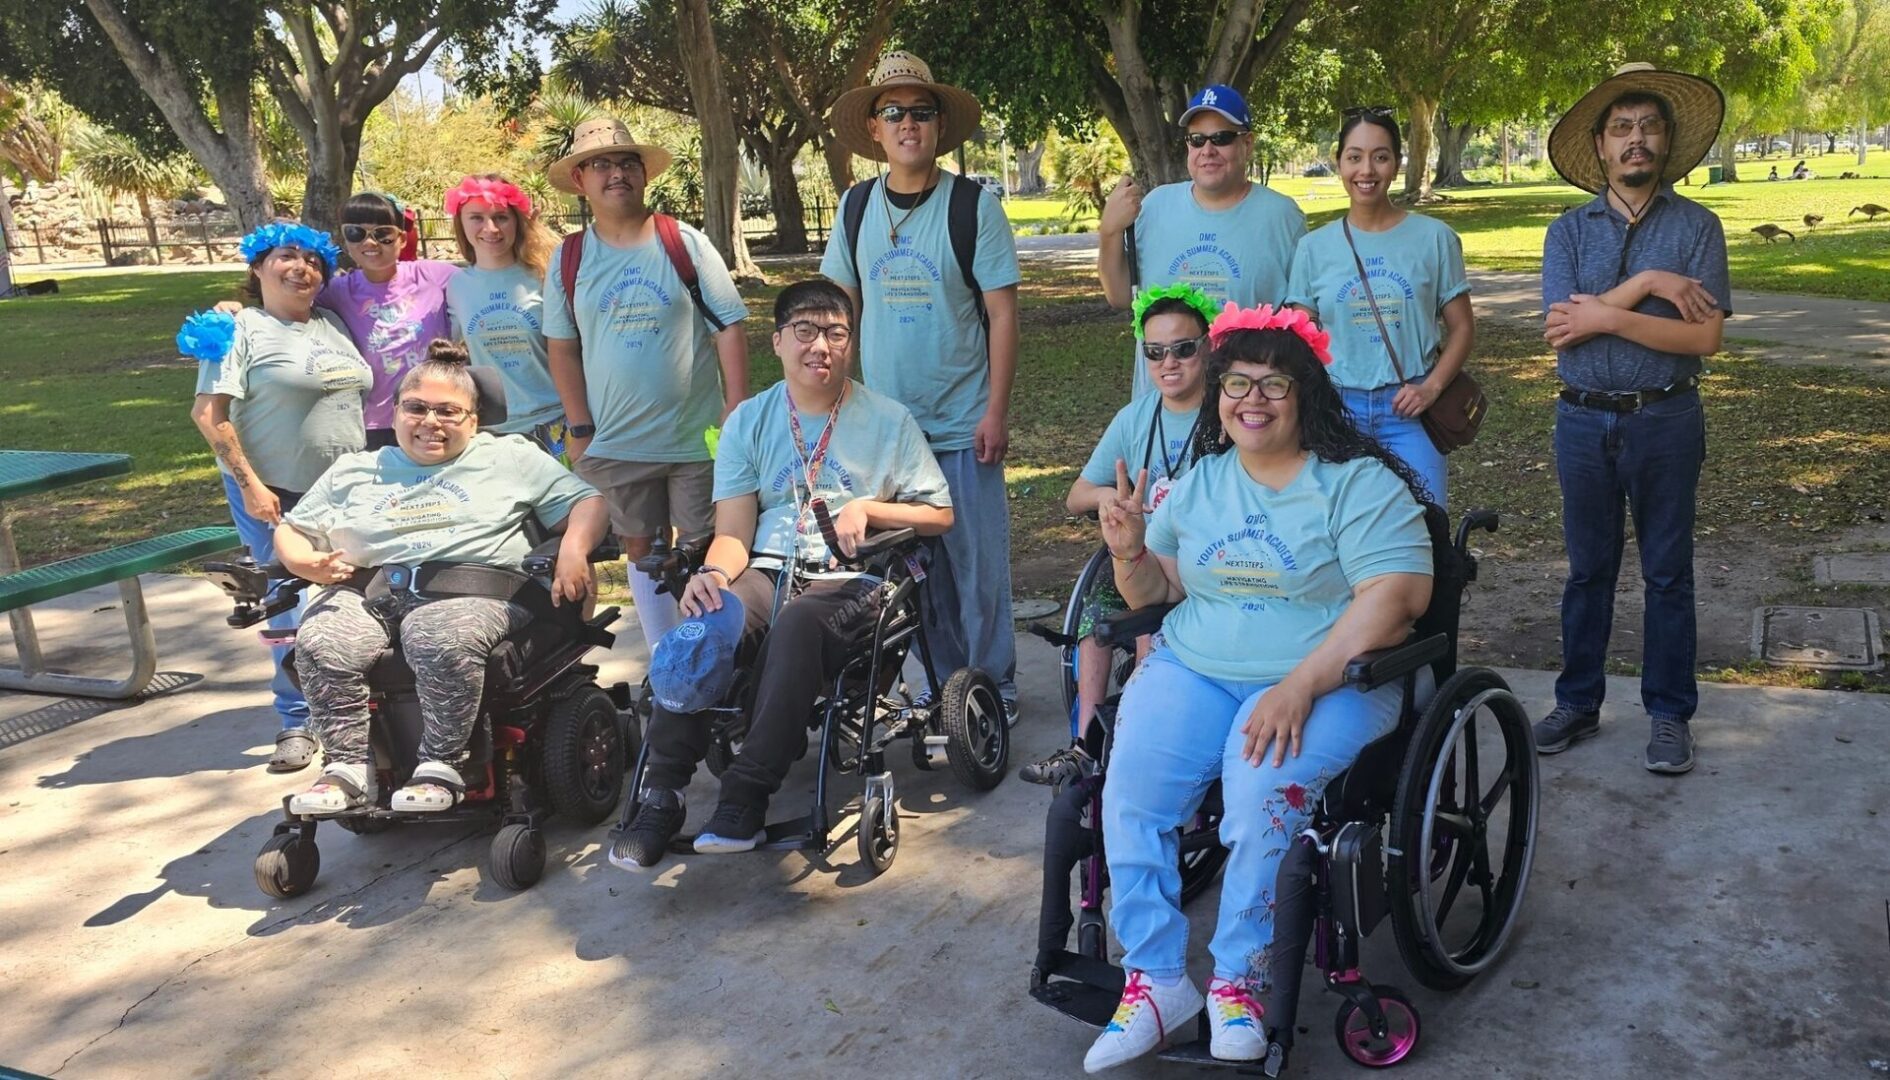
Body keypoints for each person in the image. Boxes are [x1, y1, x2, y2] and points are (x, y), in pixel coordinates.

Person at [1081, 304, 1433, 1072]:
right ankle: (1157, 980)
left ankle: (1239, 981)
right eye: (1237, 383)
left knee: (1256, 786)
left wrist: (1301, 685)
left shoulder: (1356, 484)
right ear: (1216, 395)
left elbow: (1396, 599)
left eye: (1274, 385)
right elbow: (1164, 587)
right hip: (1199, 664)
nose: (1252, 399)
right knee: (1130, 789)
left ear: (1305, 395)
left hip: (1334, 676)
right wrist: (1129, 551)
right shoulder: (1198, 484)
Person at [609, 280, 953, 868]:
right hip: (769, 567)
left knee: (797, 624)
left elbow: (939, 514)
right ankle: (661, 794)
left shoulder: (888, 420)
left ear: (853, 344)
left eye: (836, 333)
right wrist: (713, 574)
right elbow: (735, 532)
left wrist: (869, 508)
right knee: (706, 620)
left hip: (854, 580)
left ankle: (744, 794)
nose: (821, 345)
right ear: (778, 342)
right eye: (806, 331)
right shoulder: (751, 421)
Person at [274, 343, 608, 814]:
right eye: (416, 408)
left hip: (475, 591)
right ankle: (346, 767)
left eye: (449, 411)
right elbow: (291, 531)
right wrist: (304, 563)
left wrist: (573, 549)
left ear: (474, 420)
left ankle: (445, 763)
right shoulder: (355, 469)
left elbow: (588, 502)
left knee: (432, 631)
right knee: (321, 637)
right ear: (396, 412)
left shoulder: (508, 455)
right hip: (372, 592)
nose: (430, 421)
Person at [1536, 63, 1728, 775]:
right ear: (1601, 144)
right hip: (1582, 422)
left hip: (1666, 419)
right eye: (1622, 129)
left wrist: (1602, 314)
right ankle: (1578, 702)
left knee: (1668, 573)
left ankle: (1671, 714)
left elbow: (1702, 340)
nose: (1636, 140)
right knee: (1588, 571)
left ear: (1667, 140)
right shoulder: (1567, 232)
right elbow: (1560, 331)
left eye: (1648, 127)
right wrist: (1648, 286)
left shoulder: (1697, 228)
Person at [821, 51, 1023, 721]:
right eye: (894, 112)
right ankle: (943, 688)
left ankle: (995, 688)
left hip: (964, 419)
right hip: (889, 432)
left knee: (977, 568)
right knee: (913, 573)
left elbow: (1001, 314)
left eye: (922, 112)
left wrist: (996, 410)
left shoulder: (973, 208)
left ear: (940, 126)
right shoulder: (854, 210)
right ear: (875, 129)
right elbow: (838, 313)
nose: (909, 123)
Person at [543, 118, 751, 658]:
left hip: (695, 436)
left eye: (627, 162)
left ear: (642, 175)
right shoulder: (569, 258)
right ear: (582, 179)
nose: (617, 174)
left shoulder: (682, 242)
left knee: (705, 549)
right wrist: (579, 427)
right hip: (616, 441)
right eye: (602, 164)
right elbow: (563, 347)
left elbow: (727, 325)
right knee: (639, 549)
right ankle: (665, 662)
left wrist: (736, 406)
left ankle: (712, 656)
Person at [189, 222, 372, 773]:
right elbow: (208, 414)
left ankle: (353, 702)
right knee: (289, 600)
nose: (302, 268)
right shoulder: (237, 329)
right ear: (257, 267)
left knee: (352, 596)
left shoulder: (332, 322)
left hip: (344, 490)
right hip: (276, 490)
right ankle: (297, 721)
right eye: (287, 256)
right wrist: (250, 485)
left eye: (313, 260)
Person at [1019, 283, 1217, 788]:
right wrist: (1110, 500)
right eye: (1154, 352)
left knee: (1148, 619)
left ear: (1208, 345)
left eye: (1183, 348)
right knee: (1097, 606)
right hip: (1139, 554)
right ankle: (1086, 742)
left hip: (1205, 562)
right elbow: (1076, 494)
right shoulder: (1135, 419)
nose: (1168, 362)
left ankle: (1138, 740)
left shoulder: (1228, 414)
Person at [1286, 106, 1474, 507]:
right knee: (1338, 534)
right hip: (1339, 413)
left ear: (1396, 162)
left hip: (1411, 413)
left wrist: (1432, 387)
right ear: (1338, 162)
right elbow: (1300, 334)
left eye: (1380, 156)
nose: (1366, 170)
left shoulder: (1435, 239)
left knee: (1427, 531)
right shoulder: (1312, 248)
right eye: (1354, 157)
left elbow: (1461, 328)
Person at [1097, 84, 1306, 400]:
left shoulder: (1282, 217)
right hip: (1163, 406)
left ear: (1247, 144)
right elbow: (1119, 296)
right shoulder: (1154, 207)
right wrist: (1109, 231)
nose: (1207, 150)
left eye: (1221, 138)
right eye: (1197, 140)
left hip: (1248, 404)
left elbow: (1302, 315)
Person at [318, 193, 460, 449]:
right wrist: (235, 310)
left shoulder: (434, 276)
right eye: (356, 233)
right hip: (375, 425)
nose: (370, 242)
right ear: (345, 239)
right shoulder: (335, 292)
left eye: (383, 233)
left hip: (437, 416)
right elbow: (286, 309)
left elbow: (488, 282)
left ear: (401, 238)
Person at [443, 174, 567, 454]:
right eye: (476, 217)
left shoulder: (545, 275)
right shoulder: (456, 286)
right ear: (461, 224)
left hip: (556, 424)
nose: (491, 228)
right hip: (492, 432)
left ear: (516, 221)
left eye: (501, 217)